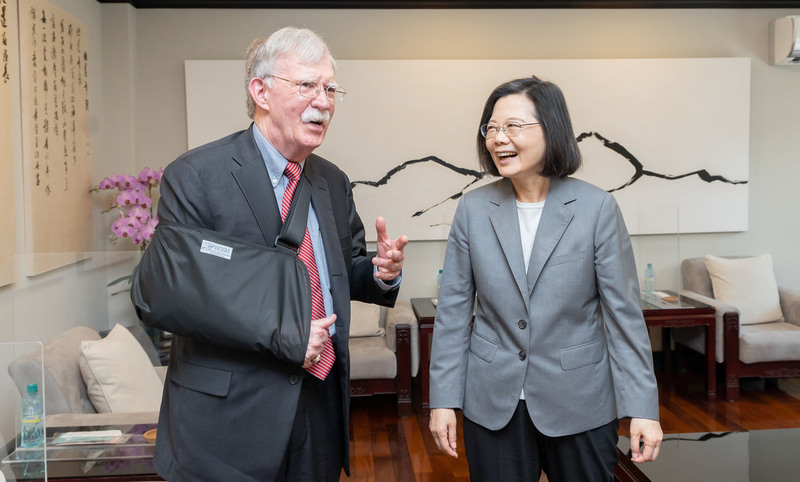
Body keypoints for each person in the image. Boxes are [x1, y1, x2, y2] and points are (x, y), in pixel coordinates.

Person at [133, 27, 407, 482]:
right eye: (306, 86)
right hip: (227, 419)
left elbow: (343, 268)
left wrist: (380, 274)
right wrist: (285, 335)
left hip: (319, 408)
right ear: (259, 90)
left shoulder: (333, 182)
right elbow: (165, 294)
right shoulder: (197, 175)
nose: (324, 101)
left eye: (330, 88)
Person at [428, 76, 662, 481]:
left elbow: (624, 318)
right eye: (492, 128)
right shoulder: (473, 209)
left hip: (580, 401)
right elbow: (452, 315)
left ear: (551, 130)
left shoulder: (596, 209)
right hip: (492, 403)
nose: (499, 139)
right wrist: (443, 400)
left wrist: (642, 407)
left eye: (513, 126)